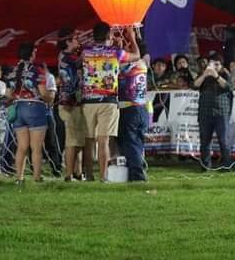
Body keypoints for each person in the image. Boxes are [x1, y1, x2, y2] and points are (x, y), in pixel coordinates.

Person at [81, 24, 139, 182]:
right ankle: (103, 176)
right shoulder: (116, 52)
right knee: (104, 140)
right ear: (109, 36)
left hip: (88, 100)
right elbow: (136, 55)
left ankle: (89, 175)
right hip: (108, 101)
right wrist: (132, 37)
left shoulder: (85, 52)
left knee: (89, 140)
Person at [8, 42, 53, 184]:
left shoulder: (13, 71)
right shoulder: (36, 70)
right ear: (31, 54)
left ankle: (19, 178)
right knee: (36, 147)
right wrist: (51, 97)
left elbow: (8, 94)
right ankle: (37, 177)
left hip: (18, 108)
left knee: (22, 146)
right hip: (35, 108)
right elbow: (43, 93)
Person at [193, 52, 233, 171]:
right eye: (212, 64)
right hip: (205, 112)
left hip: (221, 113)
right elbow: (194, 85)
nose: (214, 66)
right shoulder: (203, 74)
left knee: (224, 140)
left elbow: (228, 87)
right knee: (204, 141)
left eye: (217, 64)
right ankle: (205, 166)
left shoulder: (225, 74)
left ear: (221, 65)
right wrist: (205, 75)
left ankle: (227, 166)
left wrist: (216, 75)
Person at [55, 28, 86, 181]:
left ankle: (77, 171)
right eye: (75, 38)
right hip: (68, 102)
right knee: (72, 139)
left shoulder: (71, 57)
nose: (78, 41)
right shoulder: (65, 57)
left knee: (79, 138)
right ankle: (68, 173)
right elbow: (80, 62)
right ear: (67, 42)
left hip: (76, 102)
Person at [118, 40, 151, 181]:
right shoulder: (143, 64)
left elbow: (120, 60)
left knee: (130, 142)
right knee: (138, 143)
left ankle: (137, 175)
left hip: (129, 108)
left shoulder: (126, 66)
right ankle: (138, 171)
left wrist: (127, 42)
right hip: (141, 109)